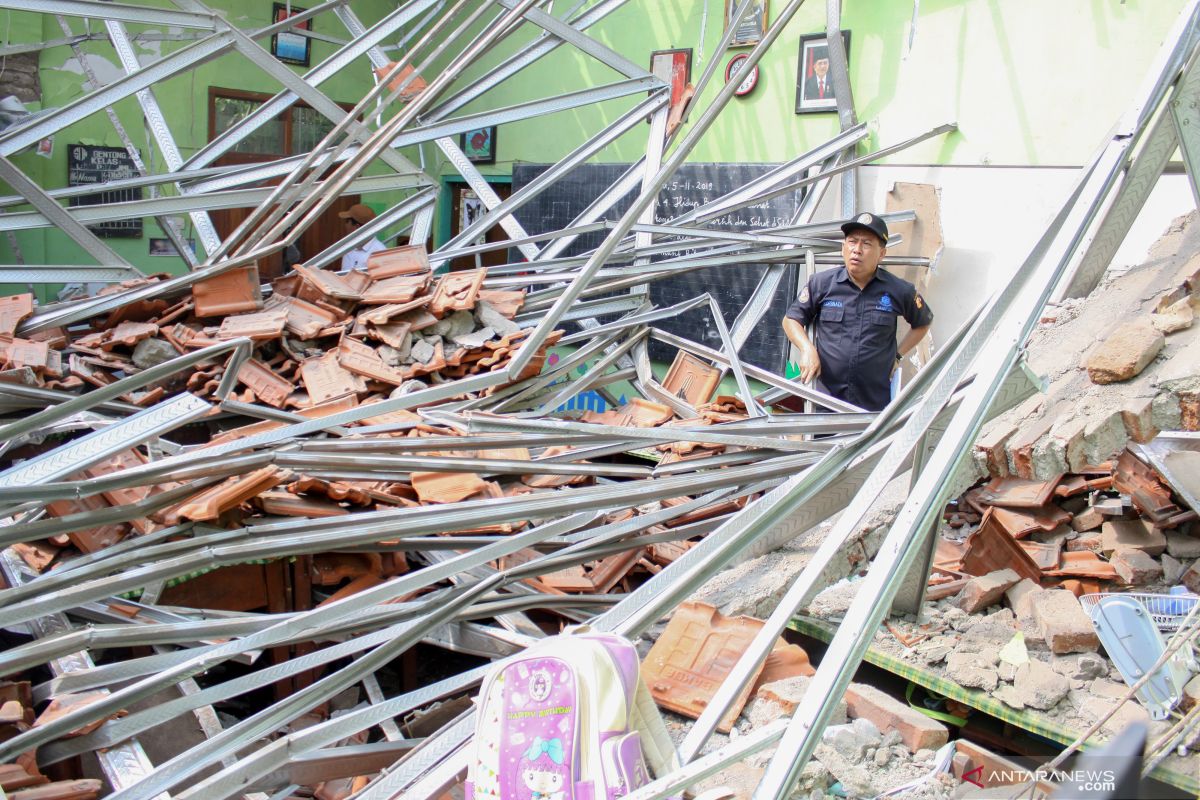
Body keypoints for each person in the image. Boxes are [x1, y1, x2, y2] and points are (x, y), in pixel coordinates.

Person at [783, 212, 933, 412]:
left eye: (867, 244)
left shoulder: (899, 290)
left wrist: (897, 356)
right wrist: (806, 349)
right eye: (852, 242)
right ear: (843, 248)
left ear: (881, 253)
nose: (857, 250)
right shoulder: (822, 284)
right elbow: (791, 319)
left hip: (872, 403)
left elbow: (922, 323)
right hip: (825, 401)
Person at [338, 203, 386, 271]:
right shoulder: (349, 247)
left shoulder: (379, 252)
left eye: (347, 221)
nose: (345, 225)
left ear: (357, 227)